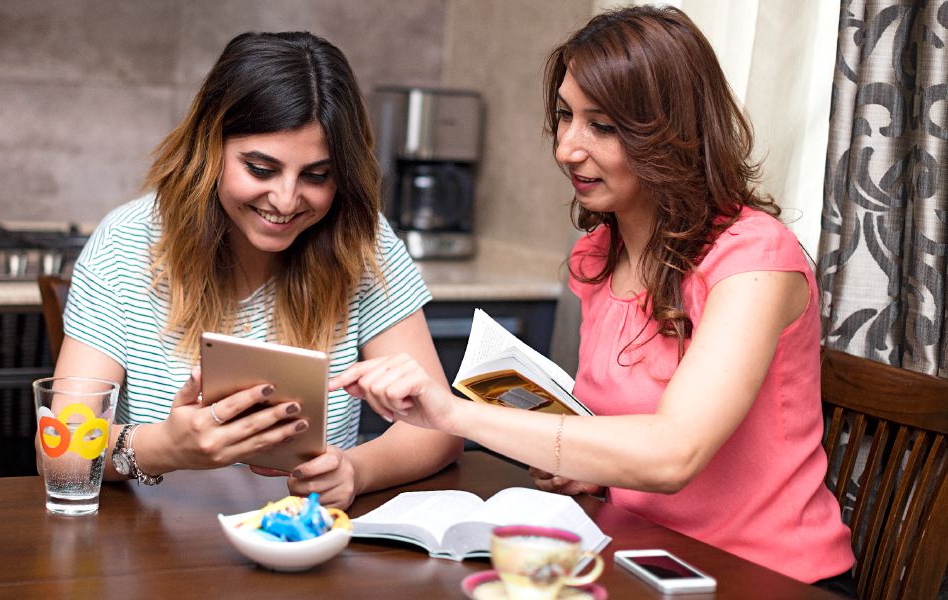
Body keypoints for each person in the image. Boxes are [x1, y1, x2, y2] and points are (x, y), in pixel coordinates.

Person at [330, 6, 856, 596]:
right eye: (564, 116)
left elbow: (672, 455)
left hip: (765, 577)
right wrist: (588, 474)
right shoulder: (598, 253)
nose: (568, 149)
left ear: (673, 131)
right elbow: (617, 434)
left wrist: (455, 415)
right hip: (638, 552)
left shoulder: (754, 259)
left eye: (602, 126)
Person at [53, 30, 461, 509]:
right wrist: (165, 448)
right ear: (210, 147)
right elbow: (61, 451)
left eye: (316, 176)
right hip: (155, 551)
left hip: (306, 543)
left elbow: (438, 429)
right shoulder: (126, 242)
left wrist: (355, 471)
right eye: (261, 169)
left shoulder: (361, 240)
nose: (286, 201)